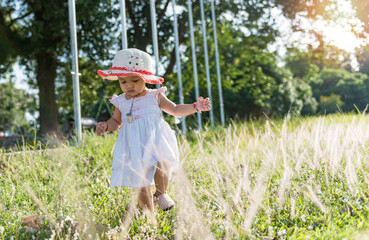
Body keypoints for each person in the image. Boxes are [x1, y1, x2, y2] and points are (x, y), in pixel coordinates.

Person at [96, 48, 211, 212]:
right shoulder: (120, 101)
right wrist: (106, 126)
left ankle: (161, 194)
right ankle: (148, 214)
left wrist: (195, 107)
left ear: (145, 79)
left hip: (155, 139)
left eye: (135, 80)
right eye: (123, 82)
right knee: (140, 182)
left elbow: (176, 109)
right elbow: (116, 121)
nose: (129, 85)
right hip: (133, 144)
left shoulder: (154, 96)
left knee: (162, 164)